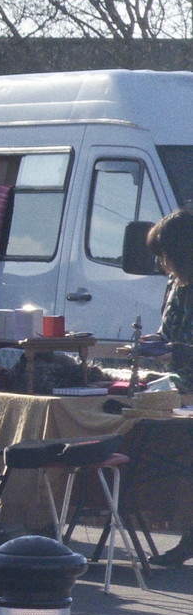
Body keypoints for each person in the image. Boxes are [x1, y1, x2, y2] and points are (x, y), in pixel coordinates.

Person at [138, 209, 193, 565]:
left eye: (167, 254)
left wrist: (180, 351)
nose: (163, 263)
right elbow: (169, 332)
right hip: (179, 389)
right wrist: (150, 344)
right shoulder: (174, 286)